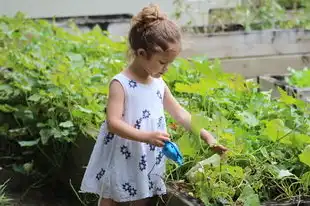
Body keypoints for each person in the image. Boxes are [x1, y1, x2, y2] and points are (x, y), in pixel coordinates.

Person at [80, 3, 227, 206]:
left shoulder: (158, 84)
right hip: (124, 153)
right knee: (112, 198)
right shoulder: (121, 84)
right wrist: (146, 136)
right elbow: (113, 122)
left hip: (147, 156)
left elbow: (181, 114)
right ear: (141, 54)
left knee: (144, 196)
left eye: (169, 63)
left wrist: (208, 137)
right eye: (161, 62)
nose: (166, 68)